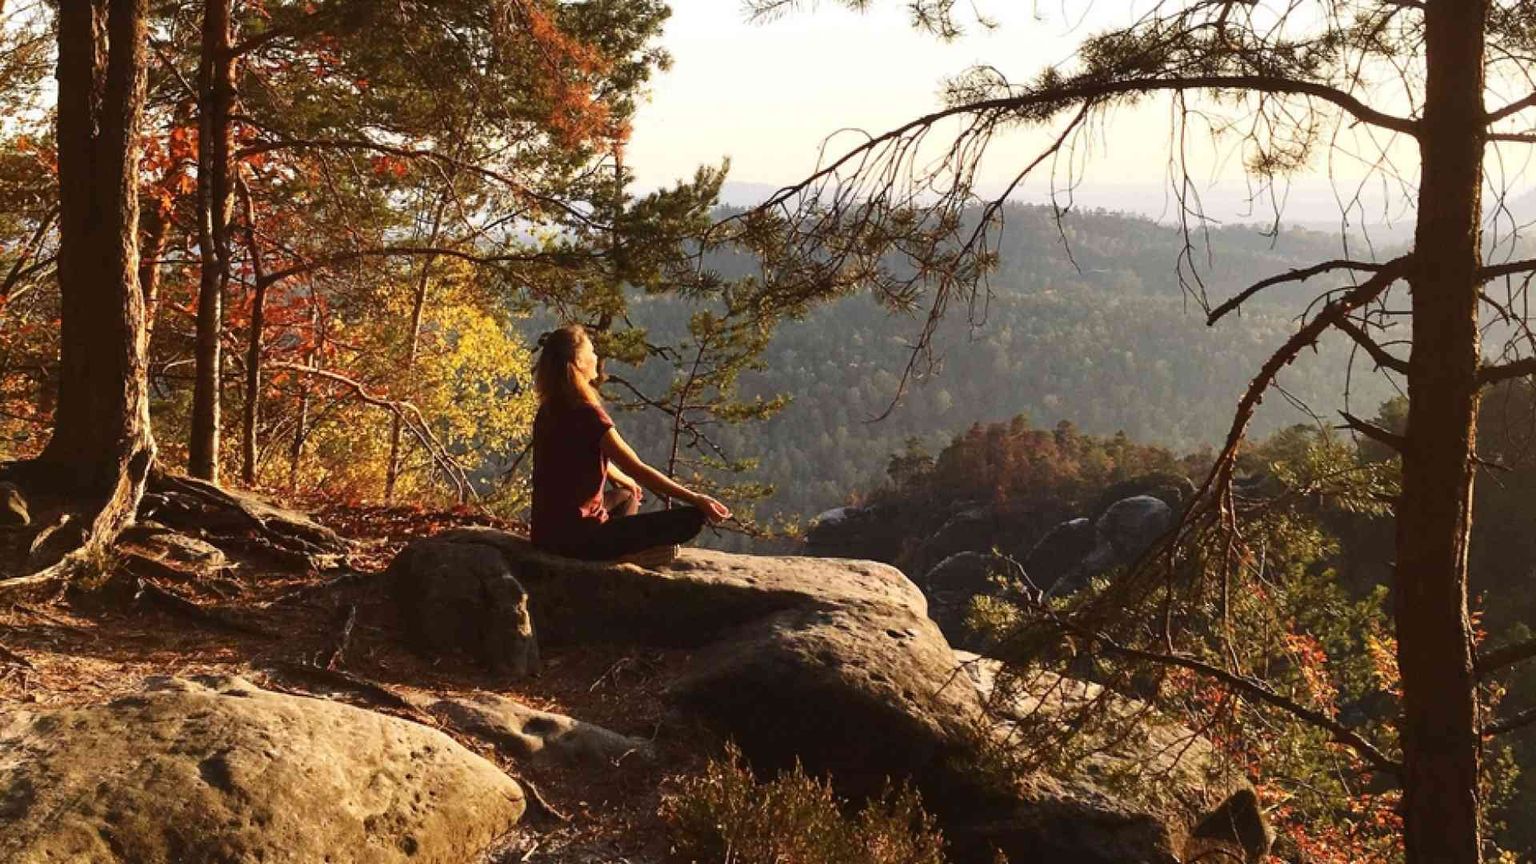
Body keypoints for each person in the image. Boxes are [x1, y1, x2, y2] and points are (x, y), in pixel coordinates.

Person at [529, 324, 731, 564]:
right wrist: (696, 498)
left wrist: (625, 480)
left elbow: (579, 457)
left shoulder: (548, 410)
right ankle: (622, 554)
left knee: (627, 495)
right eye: (591, 351)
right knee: (692, 518)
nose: (596, 356)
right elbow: (637, 467)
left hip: (546, 535)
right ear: (579, 362)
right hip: (579, 539)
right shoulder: (589, 415)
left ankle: (618, 548)